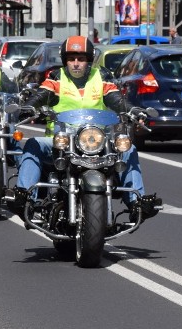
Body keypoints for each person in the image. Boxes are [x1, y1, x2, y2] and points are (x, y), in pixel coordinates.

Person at [12, 36, 162, 221]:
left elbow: (117, 99)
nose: (76, 63)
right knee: (33, 144)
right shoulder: (56, 78)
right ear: (65, 60)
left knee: (128, 148)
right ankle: (25, 196)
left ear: (88, 60)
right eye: (71, 59)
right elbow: (41, 95)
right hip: (61, 141)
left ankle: (136, 203)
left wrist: (133, 110)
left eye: (81, 59)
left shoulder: (102, 77)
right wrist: (28, 107)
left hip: (96, 140)